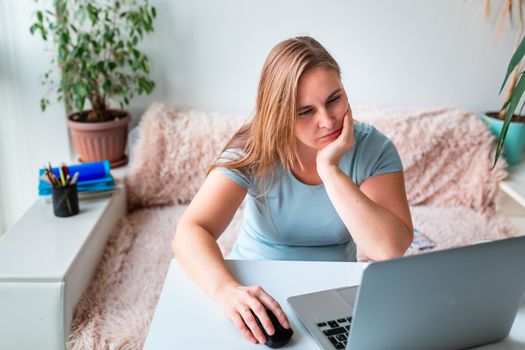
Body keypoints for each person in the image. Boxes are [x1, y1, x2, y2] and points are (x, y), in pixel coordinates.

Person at [172, 36, 413, 345]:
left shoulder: (373, 148)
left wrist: (330, 170)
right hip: (254, 283)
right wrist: (225, 291)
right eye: (305, 111)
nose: (327, 121)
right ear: (280, 114)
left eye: (334, 99)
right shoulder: (254, 147)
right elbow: (190, 230)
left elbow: (389, 248)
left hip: (331, 290)